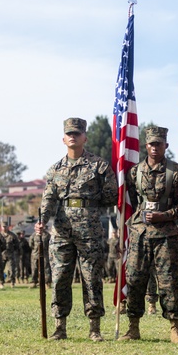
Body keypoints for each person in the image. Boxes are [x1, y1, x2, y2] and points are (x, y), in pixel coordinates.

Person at [36, 117, 117, 341]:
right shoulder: (55, 169)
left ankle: (94, 328)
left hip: (89, 230)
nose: (73, 136)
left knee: (91, 277)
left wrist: (90, 206)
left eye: (77, 133)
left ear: (85, 137)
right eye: (69, 133)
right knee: (60, 277)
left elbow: (111, 195)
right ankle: (59, 326)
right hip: (61, 230)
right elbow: (48, 199)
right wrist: (42, 220)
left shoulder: (98, 166)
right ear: (63, 139)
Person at [119, 126, 178, 343]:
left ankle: (175, 328)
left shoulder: (176, 172)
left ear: (165, 146)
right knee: (135, 280)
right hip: (140, 234)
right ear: (145, 145)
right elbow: (131, 201)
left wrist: (164, 216)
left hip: (166, 235)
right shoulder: (134, 172)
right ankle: (133, 327)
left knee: (169, 281)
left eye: (159, 143)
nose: (154, 147)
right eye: (151, 144)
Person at [1, 222, 20, 288]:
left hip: (10, 254)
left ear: (8, 227)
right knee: (0, 269)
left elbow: (17, 245)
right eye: (3, 226)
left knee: (12, 269)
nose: (4, 228)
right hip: (2, 254)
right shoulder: (0, 235)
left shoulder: (12, 235)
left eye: (5, 226)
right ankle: (1, 282)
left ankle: (12, 282)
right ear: (1, 227)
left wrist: (12, 251)